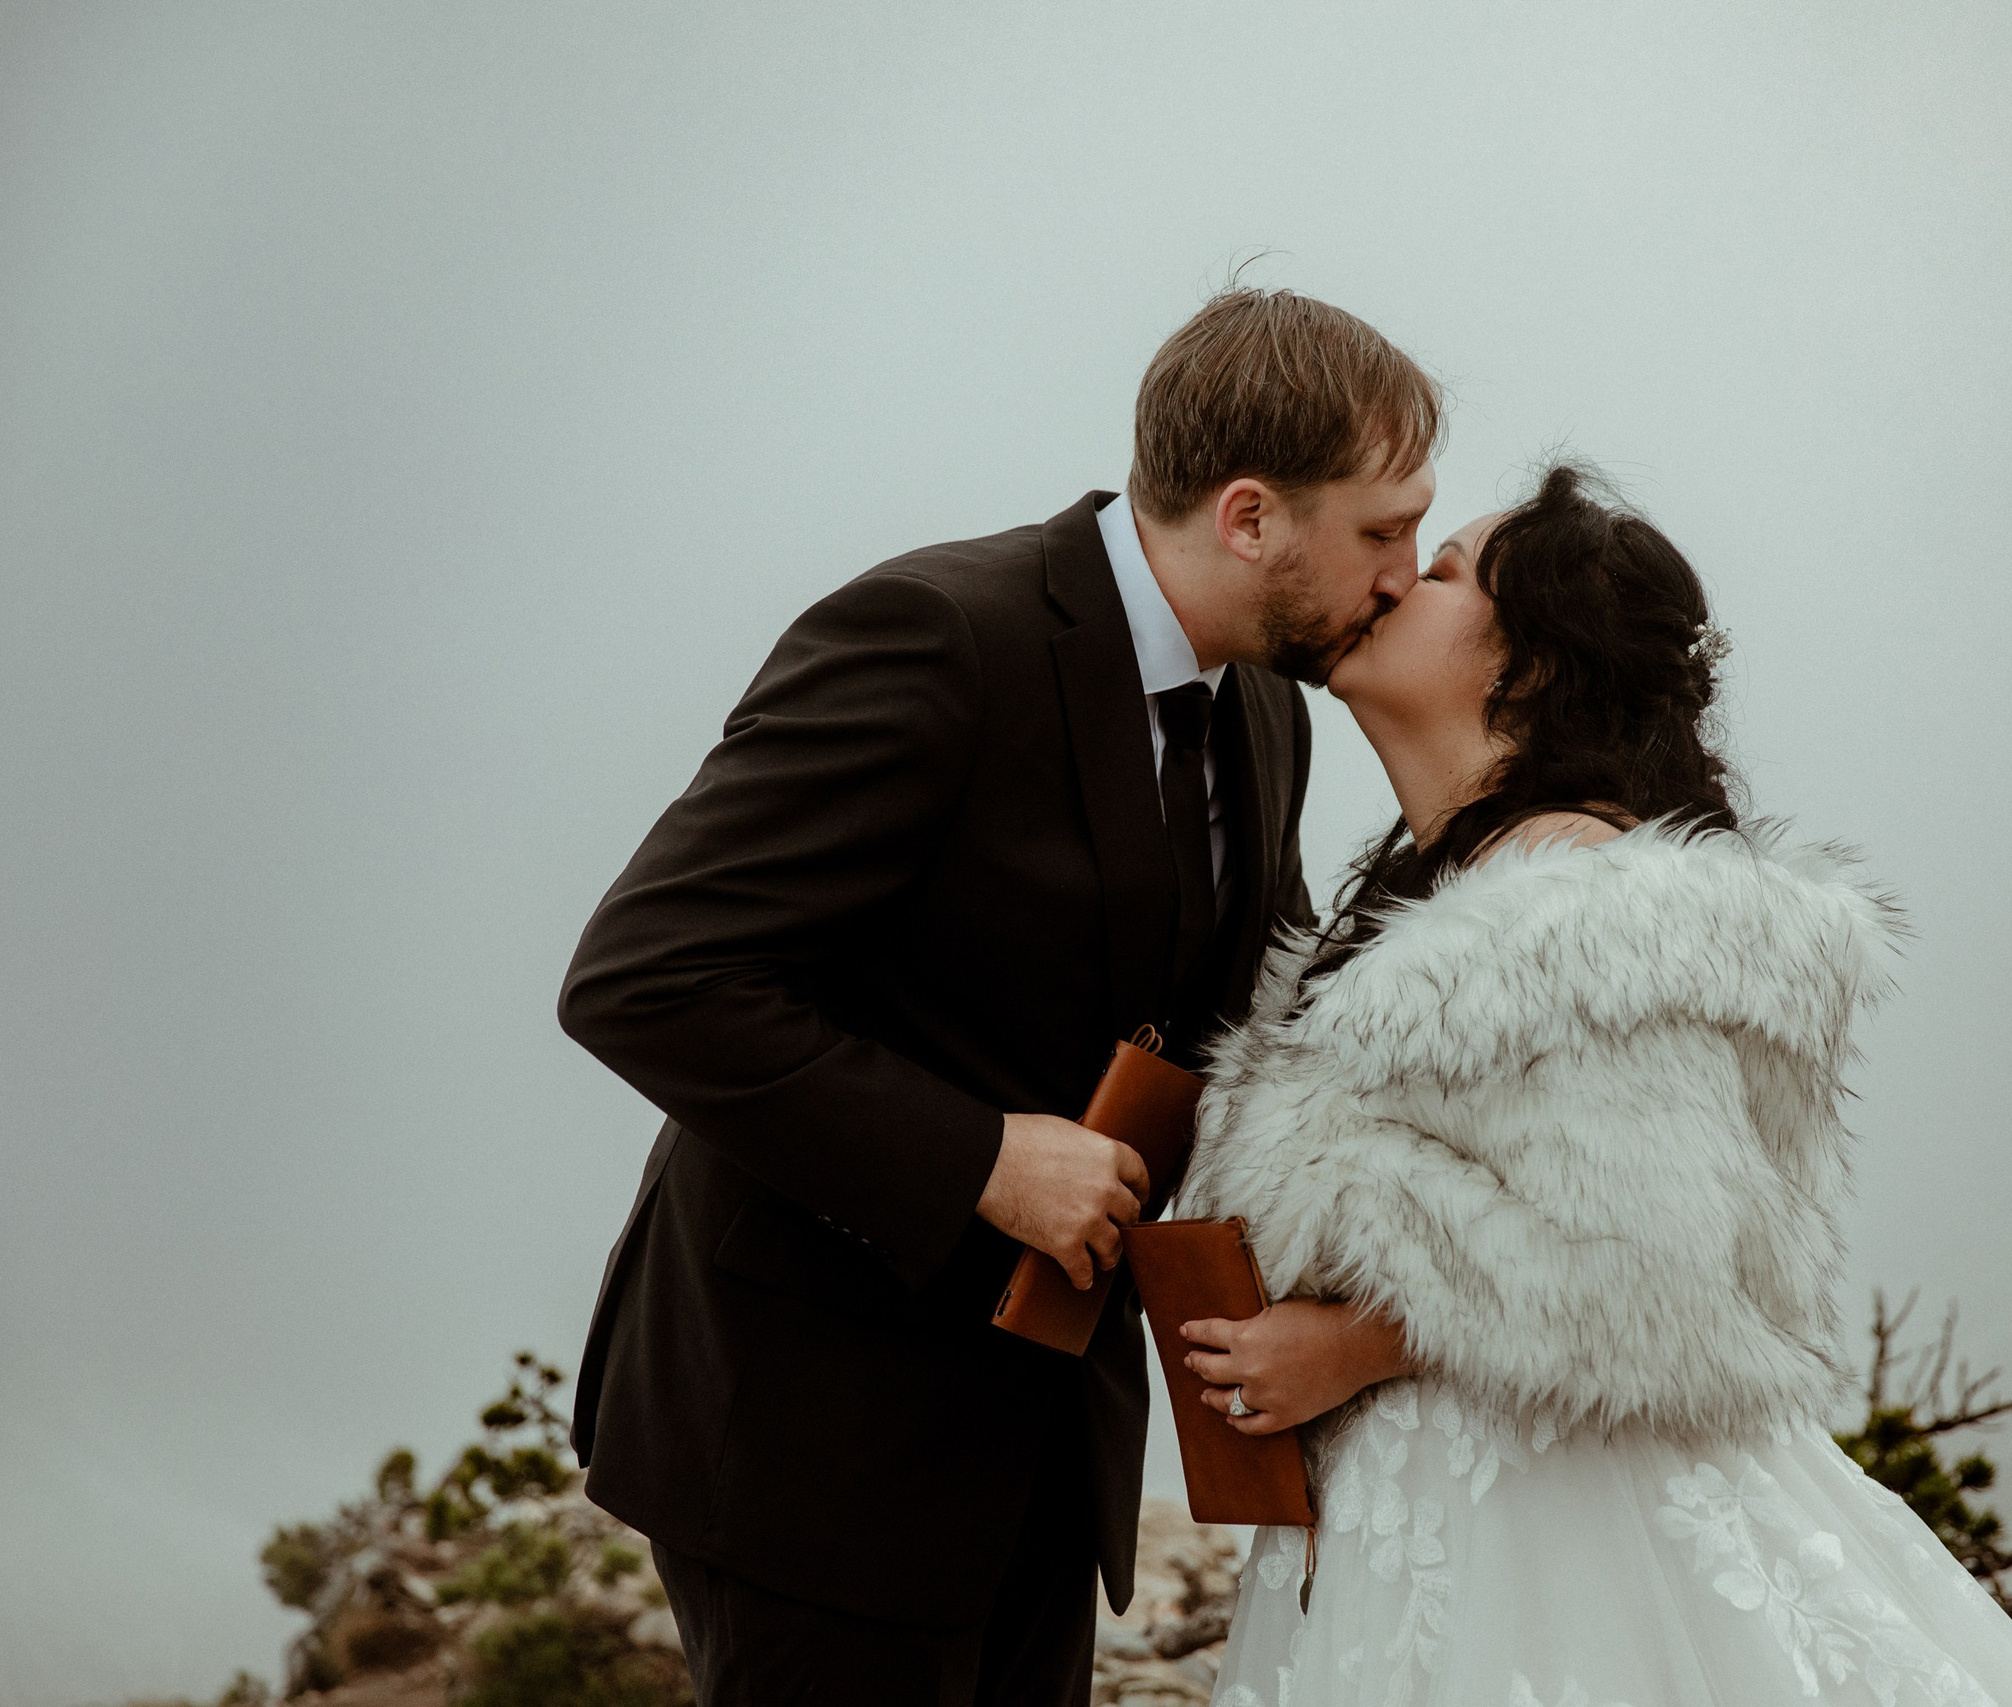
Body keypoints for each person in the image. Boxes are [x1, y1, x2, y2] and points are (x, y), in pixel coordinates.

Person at [555, 287, 1440, 1705]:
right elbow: (647, 976)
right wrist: (981, 1156)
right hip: (810, 1440)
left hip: (1043, 1443)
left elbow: (1245, 1038)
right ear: (1254, 515)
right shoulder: (935, 636)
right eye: (1384, 530)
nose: (1403, 572)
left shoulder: (1263, 709)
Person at [1177, 464, 2012, 1706]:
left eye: (1439, 570)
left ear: (1531, 666)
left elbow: (1648, 1265)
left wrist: (1353, 1343)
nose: (1389, 579)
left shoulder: (1592, 905)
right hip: (1414, 1530)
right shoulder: (1448, 892)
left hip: (1563, 1538)